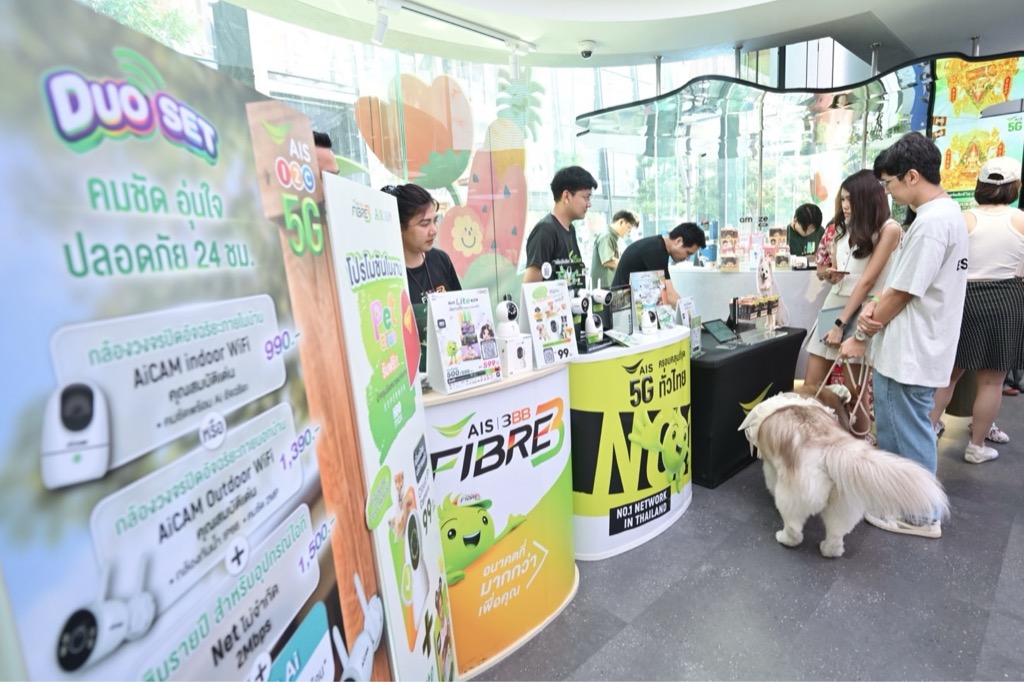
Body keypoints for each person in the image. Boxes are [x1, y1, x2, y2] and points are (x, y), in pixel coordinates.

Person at [839, 132, 968, 539]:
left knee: (906, 434)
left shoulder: (932, 223)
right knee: (903, 429)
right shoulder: (944, 215)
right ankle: (905, 505)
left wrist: (863, 330)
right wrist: (875, 308)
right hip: (917, 345)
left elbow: (902, 293)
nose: (888, 192)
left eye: (889, 183)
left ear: (912, 176)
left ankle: (921, 514)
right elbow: (900, 287)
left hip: (911, 350)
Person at [928, 156, 1024, 463]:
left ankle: (926, 433)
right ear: (1015, 186)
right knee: (992, 382)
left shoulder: (964, 219)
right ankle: (976, 446)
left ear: (980, 185)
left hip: (963, 298)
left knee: (947, 376)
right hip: (1006, 299)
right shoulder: (1020, 220)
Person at [804, 170, 901, 433]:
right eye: (843, 199)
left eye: (850, 199)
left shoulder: (888, 229)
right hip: (834, 302)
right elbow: (835, 269)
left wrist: (840, 323)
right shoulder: (842, 228)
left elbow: (868, 281)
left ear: (867, 198)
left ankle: (860, 441)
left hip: (864, 308)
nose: (845, 205)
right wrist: (831, 275)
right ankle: (814, 437)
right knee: (812, 382)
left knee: (855, 390)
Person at [381, 184, 461, 305]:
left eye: (435, 221)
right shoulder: (389, 276)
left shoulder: (441, 260)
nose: (433, 230)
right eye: (424, 224)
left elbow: (460, 308)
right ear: (399, 227)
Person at [523, 166, 597, 284]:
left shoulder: (570, 229)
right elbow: (530, 287)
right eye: (586, 197)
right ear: (566, 196)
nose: (589, 204)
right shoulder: (545, 231)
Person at [611, 222, 706, 306]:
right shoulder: (656, 251)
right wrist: (690, 316)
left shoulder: (658, 246)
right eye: (688, 253)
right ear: (678, 241)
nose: (687, 258)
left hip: (630, 301)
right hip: (620, 305)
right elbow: (669, 294)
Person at [591, 210, 638, 288]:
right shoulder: (607, 237)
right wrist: (629, 264)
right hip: (603, 289)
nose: (629, 232)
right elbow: (607, 261)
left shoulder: (616, 238)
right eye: (629, 227)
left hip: (611, 286)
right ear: (621, 222)